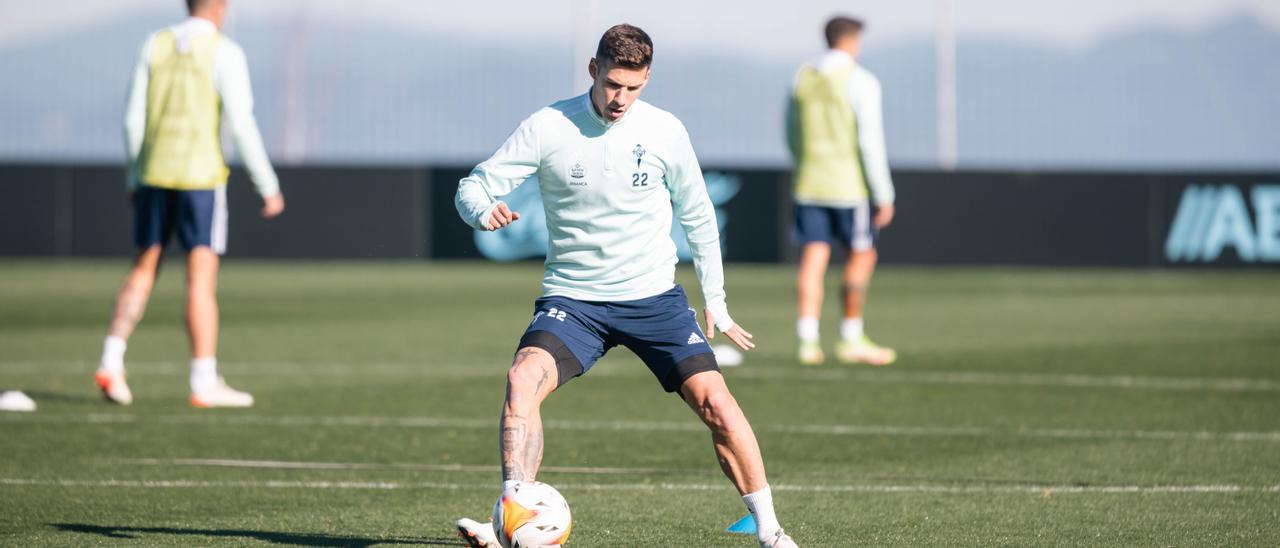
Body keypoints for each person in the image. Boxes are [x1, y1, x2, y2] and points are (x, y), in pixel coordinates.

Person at [452, 24, 798, 548]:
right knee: (523, 380)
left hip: (655, 299)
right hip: (575, 300)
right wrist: (481, 210)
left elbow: (700, 215)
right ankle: (515, 516)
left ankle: (771, 532)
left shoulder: (664, 131)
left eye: (634, 87)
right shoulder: (548, 126)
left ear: (647, 79)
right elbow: (473, 186)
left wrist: (718, 304)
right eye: (613, 84)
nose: (621, 99)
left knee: (719, 406)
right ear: (593, 70)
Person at [94, 0, 284, 408]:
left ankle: (111, 358)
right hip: (200, 178)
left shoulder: (155, 44)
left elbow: (132, 119)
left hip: (154, 174)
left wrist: (134, 174)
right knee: (200, 279)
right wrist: (267, 184)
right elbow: (242, 120)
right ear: (220, 6)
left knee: (143, 269)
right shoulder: (225, 50)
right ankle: (203, 380)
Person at [787, 16, 897, 366]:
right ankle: (851, 336)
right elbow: (870, 141)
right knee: (861, 257)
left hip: (809, 183)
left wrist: (804, 163)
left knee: (812, 260)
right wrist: (884, 192)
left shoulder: (803, 76)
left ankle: (807, 340)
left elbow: (791, 131)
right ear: (851, 41)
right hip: (849, 186)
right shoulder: (860, 80)